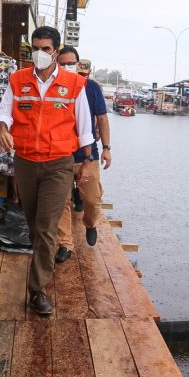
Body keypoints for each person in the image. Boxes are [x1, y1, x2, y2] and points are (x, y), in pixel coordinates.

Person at [0, 26, 94, 315]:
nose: (39, 53)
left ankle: (37, 289)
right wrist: (3, 128)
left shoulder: (74, 84)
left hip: (58, 164)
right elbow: (4, 112)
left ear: (56, 51)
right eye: (35, 48)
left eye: (46, 48)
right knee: (33, 223)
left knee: (46, 227)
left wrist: (85, 162)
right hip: (25, 162)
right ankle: (40, 272)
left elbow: (85, 126)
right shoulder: (17, 80)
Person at [55, 49, 111, 262]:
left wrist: (107, 147)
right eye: (63, 63)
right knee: (62, 201)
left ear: (78, 65)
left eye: (71, 63)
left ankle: (90, 223)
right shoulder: (53, 87)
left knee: (92, 199)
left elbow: (103, 119)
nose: (68, 66)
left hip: (88, 155)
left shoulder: (91, 88)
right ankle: (65, 243)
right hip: (61, 155)